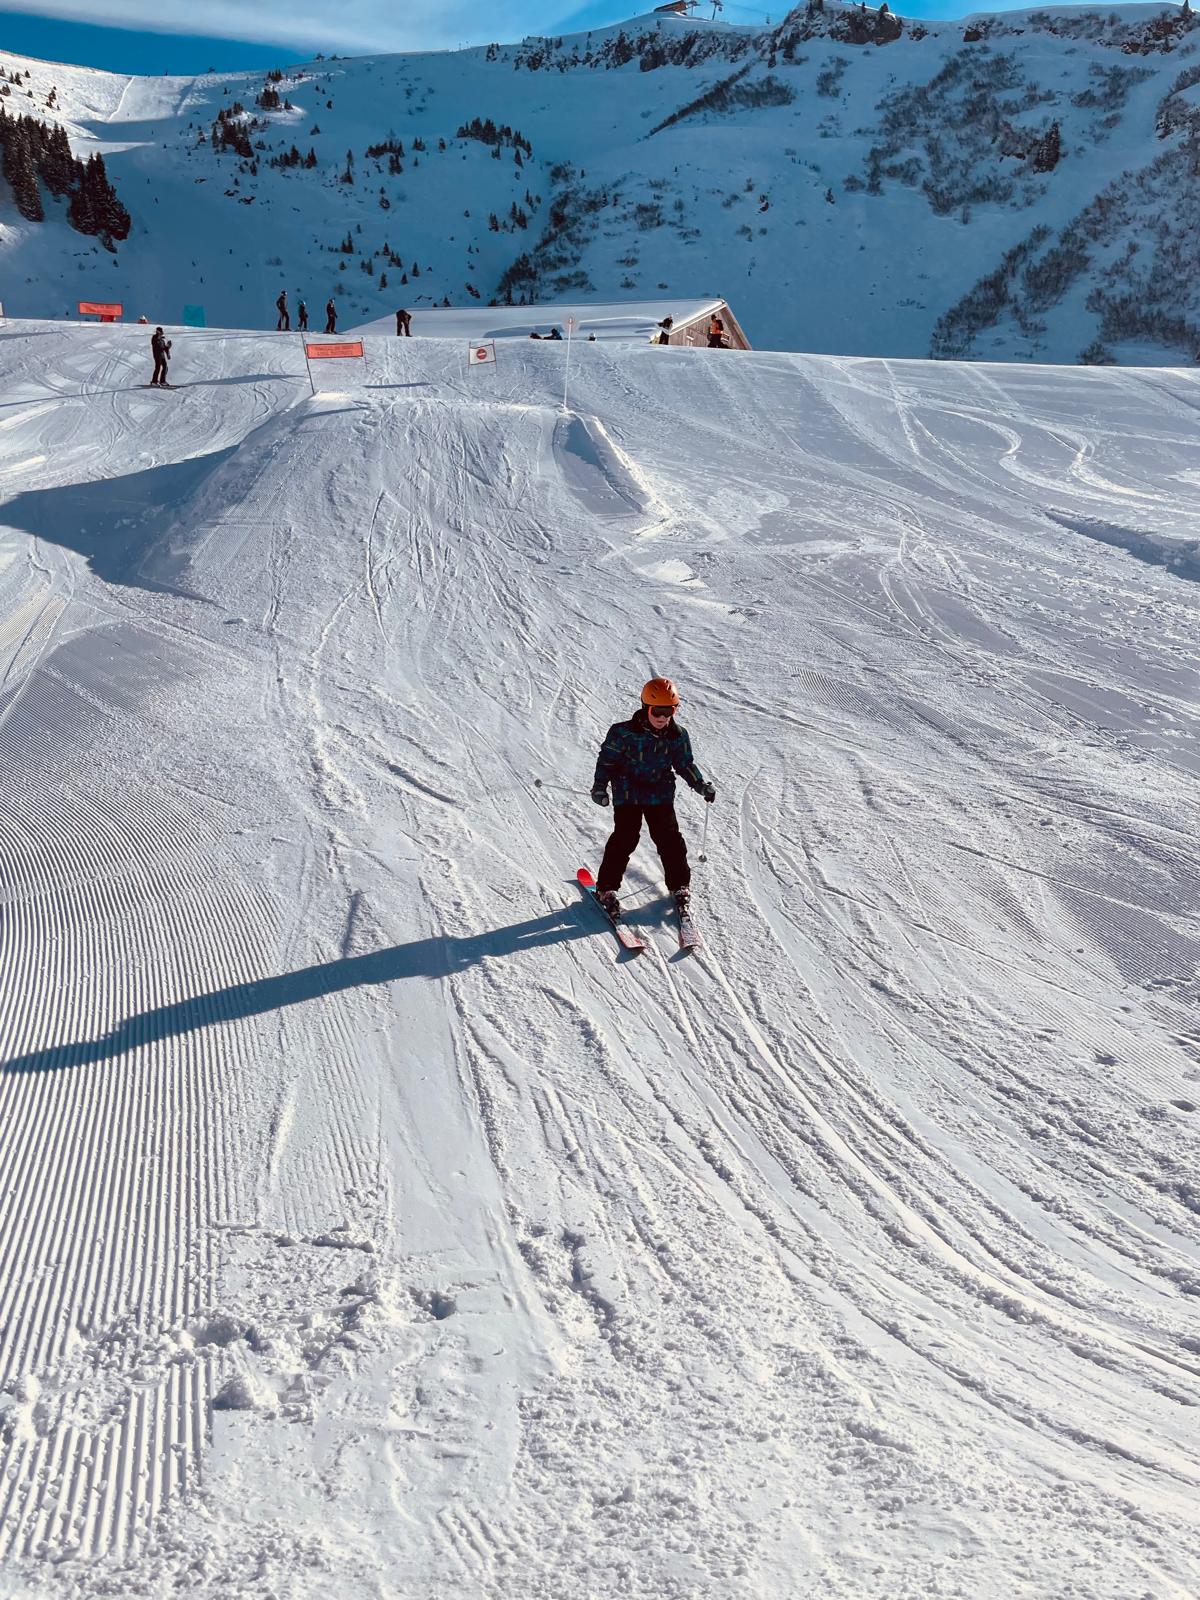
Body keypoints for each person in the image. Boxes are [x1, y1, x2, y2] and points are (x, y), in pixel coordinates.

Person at [591, 677, 715, 922]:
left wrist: (700, 785)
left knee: (670, 840)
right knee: (626, 837)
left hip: (660, 793)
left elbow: (684, 764)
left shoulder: (677, 735)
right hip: (628, 792)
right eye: (657, 711)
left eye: (669, 711)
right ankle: (606, 889)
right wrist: (599, 787)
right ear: (646, 707)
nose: (662, 717)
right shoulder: (622, 732)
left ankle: (679, 886)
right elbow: (607, 761)